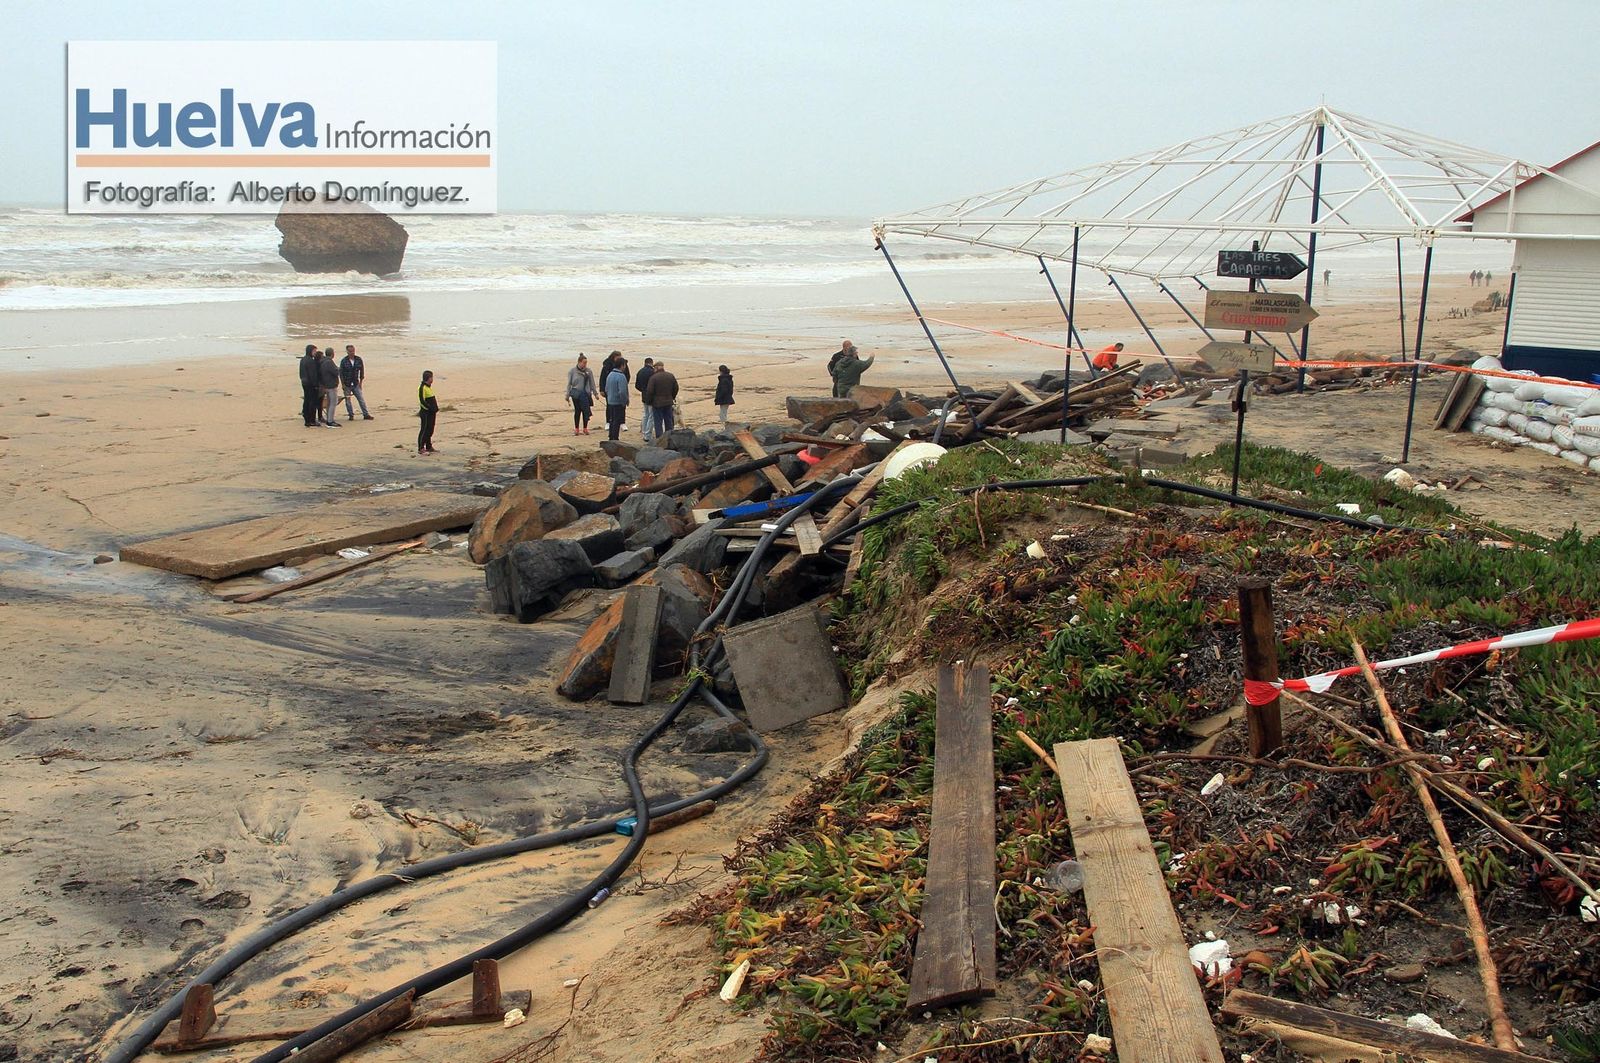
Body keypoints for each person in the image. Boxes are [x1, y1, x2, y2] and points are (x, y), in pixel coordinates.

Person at [642, 358, 679, 437]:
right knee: (668, 420)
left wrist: (649, 401)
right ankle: (670, 437)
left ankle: (660, 438)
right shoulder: (670, 376)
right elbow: (676, 388)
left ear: (656, 368)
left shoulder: (653, 378)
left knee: (658, 422)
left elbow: (650, 391)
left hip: (657, 403)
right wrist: (672, 396)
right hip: (668, 401)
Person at [566, 353, 599, 436]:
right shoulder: (572, 371)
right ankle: (577, 428)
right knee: (577, 411)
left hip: (586, 394)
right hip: (576, 394)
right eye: (584, 362)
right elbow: (569, 384)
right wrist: (567, 395)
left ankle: (585, 428)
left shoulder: (589, 371)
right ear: (579, 362)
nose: (585, 364)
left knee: (585, 411)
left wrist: (595, 393)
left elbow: (592, 383)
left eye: (586, 363)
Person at [339, 344, 372, 421]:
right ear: (347, 351)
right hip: (347, 384)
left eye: (353, 351)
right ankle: (351, 415)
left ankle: (366, 414)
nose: (352, 353)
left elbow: (362, 371)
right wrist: (343, 384)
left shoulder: (358, 359)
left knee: (361, 399)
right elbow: (341, 373)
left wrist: (361, 382)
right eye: (350, 351)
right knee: (348, 401)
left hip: (356, 383)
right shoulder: (344, 361)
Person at [603, 355, 631, 441]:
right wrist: (624, 401)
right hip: (618, 402)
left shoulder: (610, 374)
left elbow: (606, 389)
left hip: (610, 401)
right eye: (624, 365)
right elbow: (622, 391)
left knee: (612, 420)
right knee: (616, 421)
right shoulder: (621, 376)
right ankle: (615, 438)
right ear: (622, 365)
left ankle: (611, 436)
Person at [317, 347, 342, 427]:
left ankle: (329, 419)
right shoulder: (329, 362)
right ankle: (330, 420)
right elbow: (335, 372)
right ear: (332, 354)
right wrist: (339, 369)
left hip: (325, 385)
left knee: (329, 403)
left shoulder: (322, 361)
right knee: (333, 403)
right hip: (330, 385)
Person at [635, 357, 657, 442]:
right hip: (651, 396)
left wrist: (643, 390)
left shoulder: (640, 372)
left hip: (644, 395)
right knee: (651, 416)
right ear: (651, 363)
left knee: (645, 414)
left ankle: (644, 431)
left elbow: (637, 386)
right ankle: (648, 435)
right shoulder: (652, 372)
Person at [298, 344, 320, 427]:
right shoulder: (310, 361)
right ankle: (311, 420)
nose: (315, 353)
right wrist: (316, 385)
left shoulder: (303, 359)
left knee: (307, 400)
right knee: (312, 402)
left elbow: (301, 372)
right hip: (310, 384)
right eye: (314, 351)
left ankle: (307, 419)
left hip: (304, 382)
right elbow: (313, 374)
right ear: (310, 351)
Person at [416, 370, 438, 454]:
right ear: (428, 378)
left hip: (432, 413)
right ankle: (421, 448)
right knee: (424, 430)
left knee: (430, 430)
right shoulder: (422, 388)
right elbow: (422, 401)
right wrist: (430, 409)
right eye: (432, 377)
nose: (432, 379)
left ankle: (428, 446)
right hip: (426, 413)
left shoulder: (428, 387)